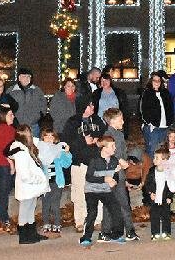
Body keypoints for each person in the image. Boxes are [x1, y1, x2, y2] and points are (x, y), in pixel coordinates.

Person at [63, 100, 105, 232]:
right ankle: (80, 221)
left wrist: (98, 141)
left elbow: (105, 136)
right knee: (79, 192)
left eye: (93, 105)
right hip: (79, 163)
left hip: (95, 162)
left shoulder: (97, 120)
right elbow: (66, 141)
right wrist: (83, 140)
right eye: (90, 105)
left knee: (97, 190)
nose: (93, 107)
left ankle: (97, 220)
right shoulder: (72, 122)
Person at [79, 136, 124, 247]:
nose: (115, 148)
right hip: (91, 190)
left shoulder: (114, 160)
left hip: (105, 190)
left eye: (115, 145)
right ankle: (86, 237)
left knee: (116, 209)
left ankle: (116, 235)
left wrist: (114, 181)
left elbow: (115, 175)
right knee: (92, 212)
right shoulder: (94, 160)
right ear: (104, 148)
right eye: (112, 146)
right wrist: (104, 179)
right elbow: (89, 177)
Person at [100, 108, 137, 241]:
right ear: (113, 121)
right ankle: (107, 231)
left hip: (119, 175)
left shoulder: (120, 135)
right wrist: (120, 161)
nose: (123, 121)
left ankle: (126, 231)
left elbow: (122, 153)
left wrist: (126, 161)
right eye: (120, 119)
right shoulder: (107, 135)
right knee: (113, 204)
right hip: (111, 175)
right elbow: (108, 152)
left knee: (122, 203)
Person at [10, 124, 49, 244]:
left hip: (32, 186)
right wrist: (37, 179)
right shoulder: (21, 151)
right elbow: (24, 174)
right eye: (28, 133)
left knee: (31, 207)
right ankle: (23, 235)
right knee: (25, 208)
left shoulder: (27, 148)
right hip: (28, 185)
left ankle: (32, 233)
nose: (31, 135)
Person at [37, 128, 71, 235]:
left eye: (52, 136)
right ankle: (46, 223)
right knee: (46, 204)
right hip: (45, 183)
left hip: (57, 182)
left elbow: (66, 164)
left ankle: (57, 223)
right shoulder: (40, 152)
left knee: (55, 204)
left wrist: (67, 153)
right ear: (43, 138)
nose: (49, 138)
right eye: (47, 136)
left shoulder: (57, 151)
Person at [0, 105, 17, 230]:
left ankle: (3, 215)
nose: (13, 116)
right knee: (4, 191)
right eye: (10, 114)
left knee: (6, 188)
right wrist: (11, 164)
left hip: (8, 162)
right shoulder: (2, 129)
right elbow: (3, 148)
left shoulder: (10, 128)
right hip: (3, 163)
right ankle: (3, 217)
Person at [139, 71, 174, 158]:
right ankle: (151, 170)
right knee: (152, 151)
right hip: (153, 128)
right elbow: (143, 110)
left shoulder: (165, 92)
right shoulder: (147, 93)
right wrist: (149, 123)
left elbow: (170, 108)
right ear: (151, 81)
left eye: (159, 80)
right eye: (155, 80)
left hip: (165, 127)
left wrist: (171, 121)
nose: (157, 82)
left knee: (163, 151)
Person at [143, 147, 174, 240]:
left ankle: (166, 232)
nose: (154, 160)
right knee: (154, 216)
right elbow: (147, 183)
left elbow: (171, 185)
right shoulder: (152, 171)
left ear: (164, 160)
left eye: (157, 158)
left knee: (166, 216)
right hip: (155, 198)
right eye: (154, 157)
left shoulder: (169, 171)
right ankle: (155, 233)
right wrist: (150, 193)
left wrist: (169, 196)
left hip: (165, 198)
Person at [9, 68, 46, 137]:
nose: (26, 79)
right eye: (24, 76)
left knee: (33, 145)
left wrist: (39, 116)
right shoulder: (11, 91)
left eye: (28, 76)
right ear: (19, 78)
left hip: (33, 126)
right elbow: (7, 107)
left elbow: (43, 105)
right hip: (16, 126)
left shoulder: (37, 90)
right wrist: (13, 120)